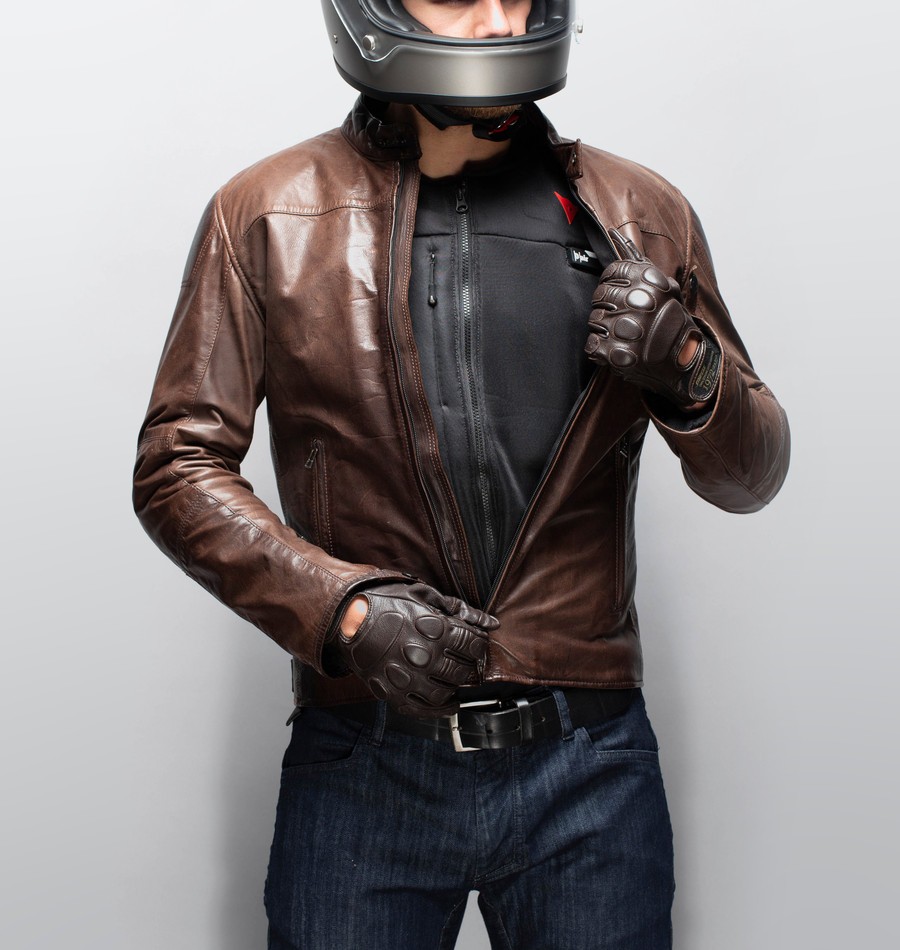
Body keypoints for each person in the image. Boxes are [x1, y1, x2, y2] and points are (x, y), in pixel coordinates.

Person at [133, 1, 790, 947]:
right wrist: (343, 611)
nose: (497, 22)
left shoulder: (641, 213)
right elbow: (177, 464)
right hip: (366, 756)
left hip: (588, 763)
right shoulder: (268, 212)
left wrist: (690, 367)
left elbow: (752, 473)